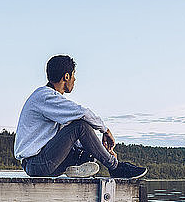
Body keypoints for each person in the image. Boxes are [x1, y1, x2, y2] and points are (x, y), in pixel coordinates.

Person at [14, 55, 147, 179]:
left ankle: (78, 167)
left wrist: (99, 151)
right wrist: (105, 130)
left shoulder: (52, 103)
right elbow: (83, 113)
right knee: (80, 125)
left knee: (87, 153)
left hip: (41, 162)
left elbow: (69, 136)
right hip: (36, 164)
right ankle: (116, 168)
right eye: (73, 75)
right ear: (66, 76)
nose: (75, 79)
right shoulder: (45, 96)